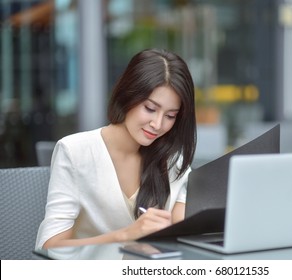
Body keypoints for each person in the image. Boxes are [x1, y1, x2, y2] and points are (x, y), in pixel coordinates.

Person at [35, 48, 196, 249]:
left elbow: (185, 236)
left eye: (170, 116)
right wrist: (127, 235)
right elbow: (50, 246)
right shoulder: (75, 151)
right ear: (128, 95)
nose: (158, 123)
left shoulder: (172, 159)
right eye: (150, 109)